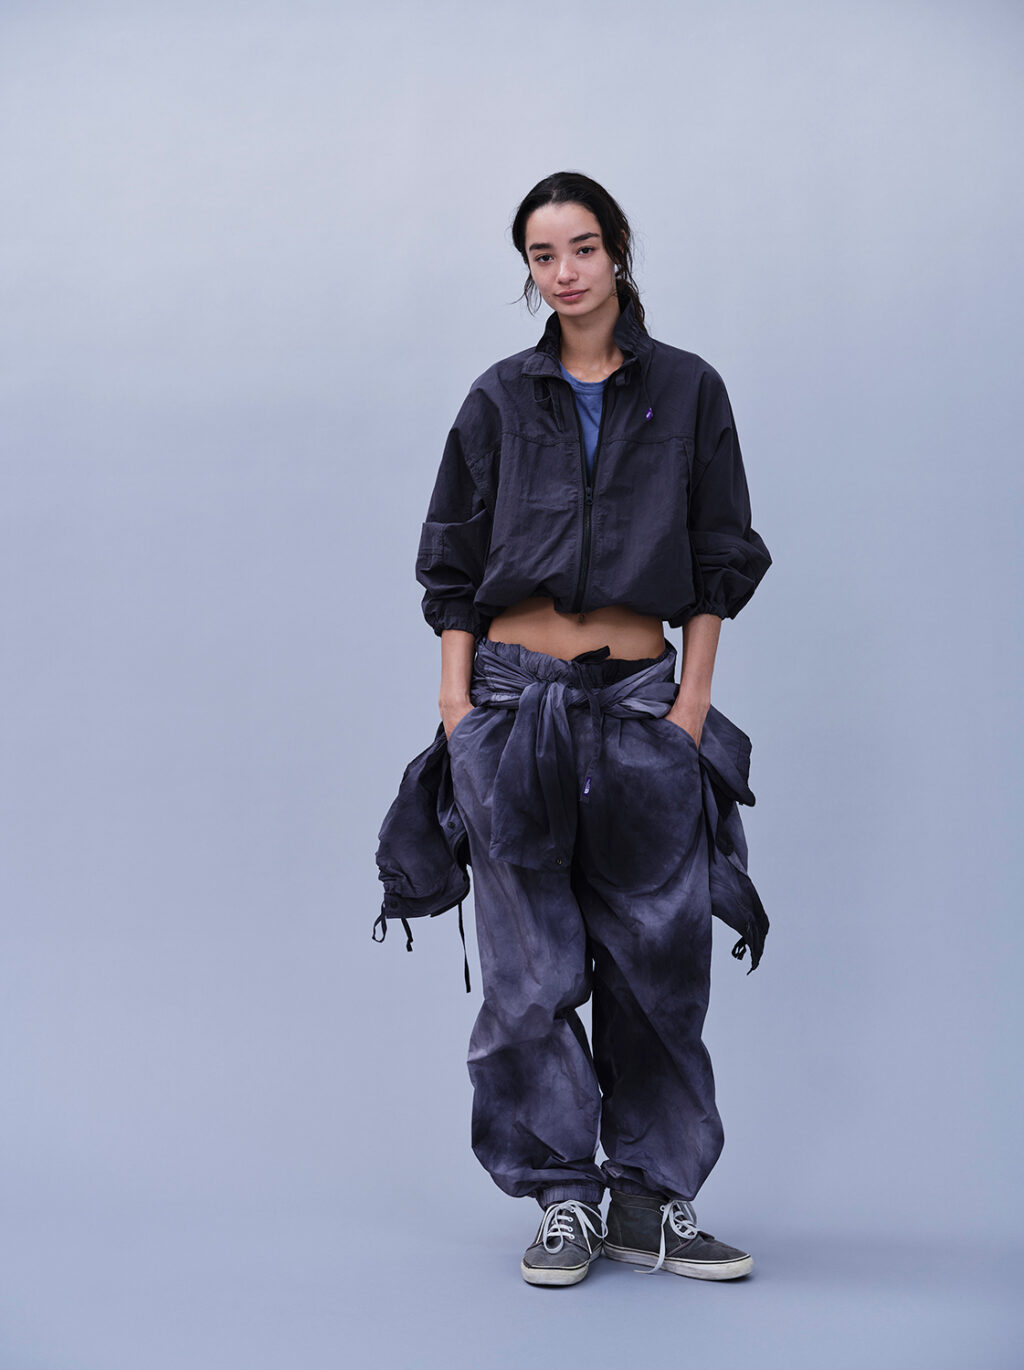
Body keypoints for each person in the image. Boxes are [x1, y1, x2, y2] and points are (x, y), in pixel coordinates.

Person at [377, 170, 772, 1287]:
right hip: (511, 702)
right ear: (528, 270)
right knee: (527, 973)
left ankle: (649, 1201)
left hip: (643, 705)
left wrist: (690, 707)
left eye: (583, 247)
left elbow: (719, 554)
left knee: (658, 963)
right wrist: (456, 708)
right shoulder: (499, 398)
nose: (564, 272)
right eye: (542, 255)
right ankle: (562, 1198)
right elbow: (452, 560)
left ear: (617, 250)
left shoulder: (688, 390)